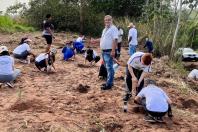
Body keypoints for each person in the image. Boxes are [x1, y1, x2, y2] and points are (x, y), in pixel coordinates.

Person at [91, 15, 118, 90]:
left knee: (109, 68)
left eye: (109, 20)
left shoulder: (113, 28)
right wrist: (95, 41)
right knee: (107, 67)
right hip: (104, 51)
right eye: (106, 20)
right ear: (104, 21)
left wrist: (113, 50)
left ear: (112, 20)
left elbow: (115, 40)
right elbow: (102, 38)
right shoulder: (104, 29)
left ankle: (109, 84)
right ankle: (109, 82)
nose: (107, 21)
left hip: (109, 51)